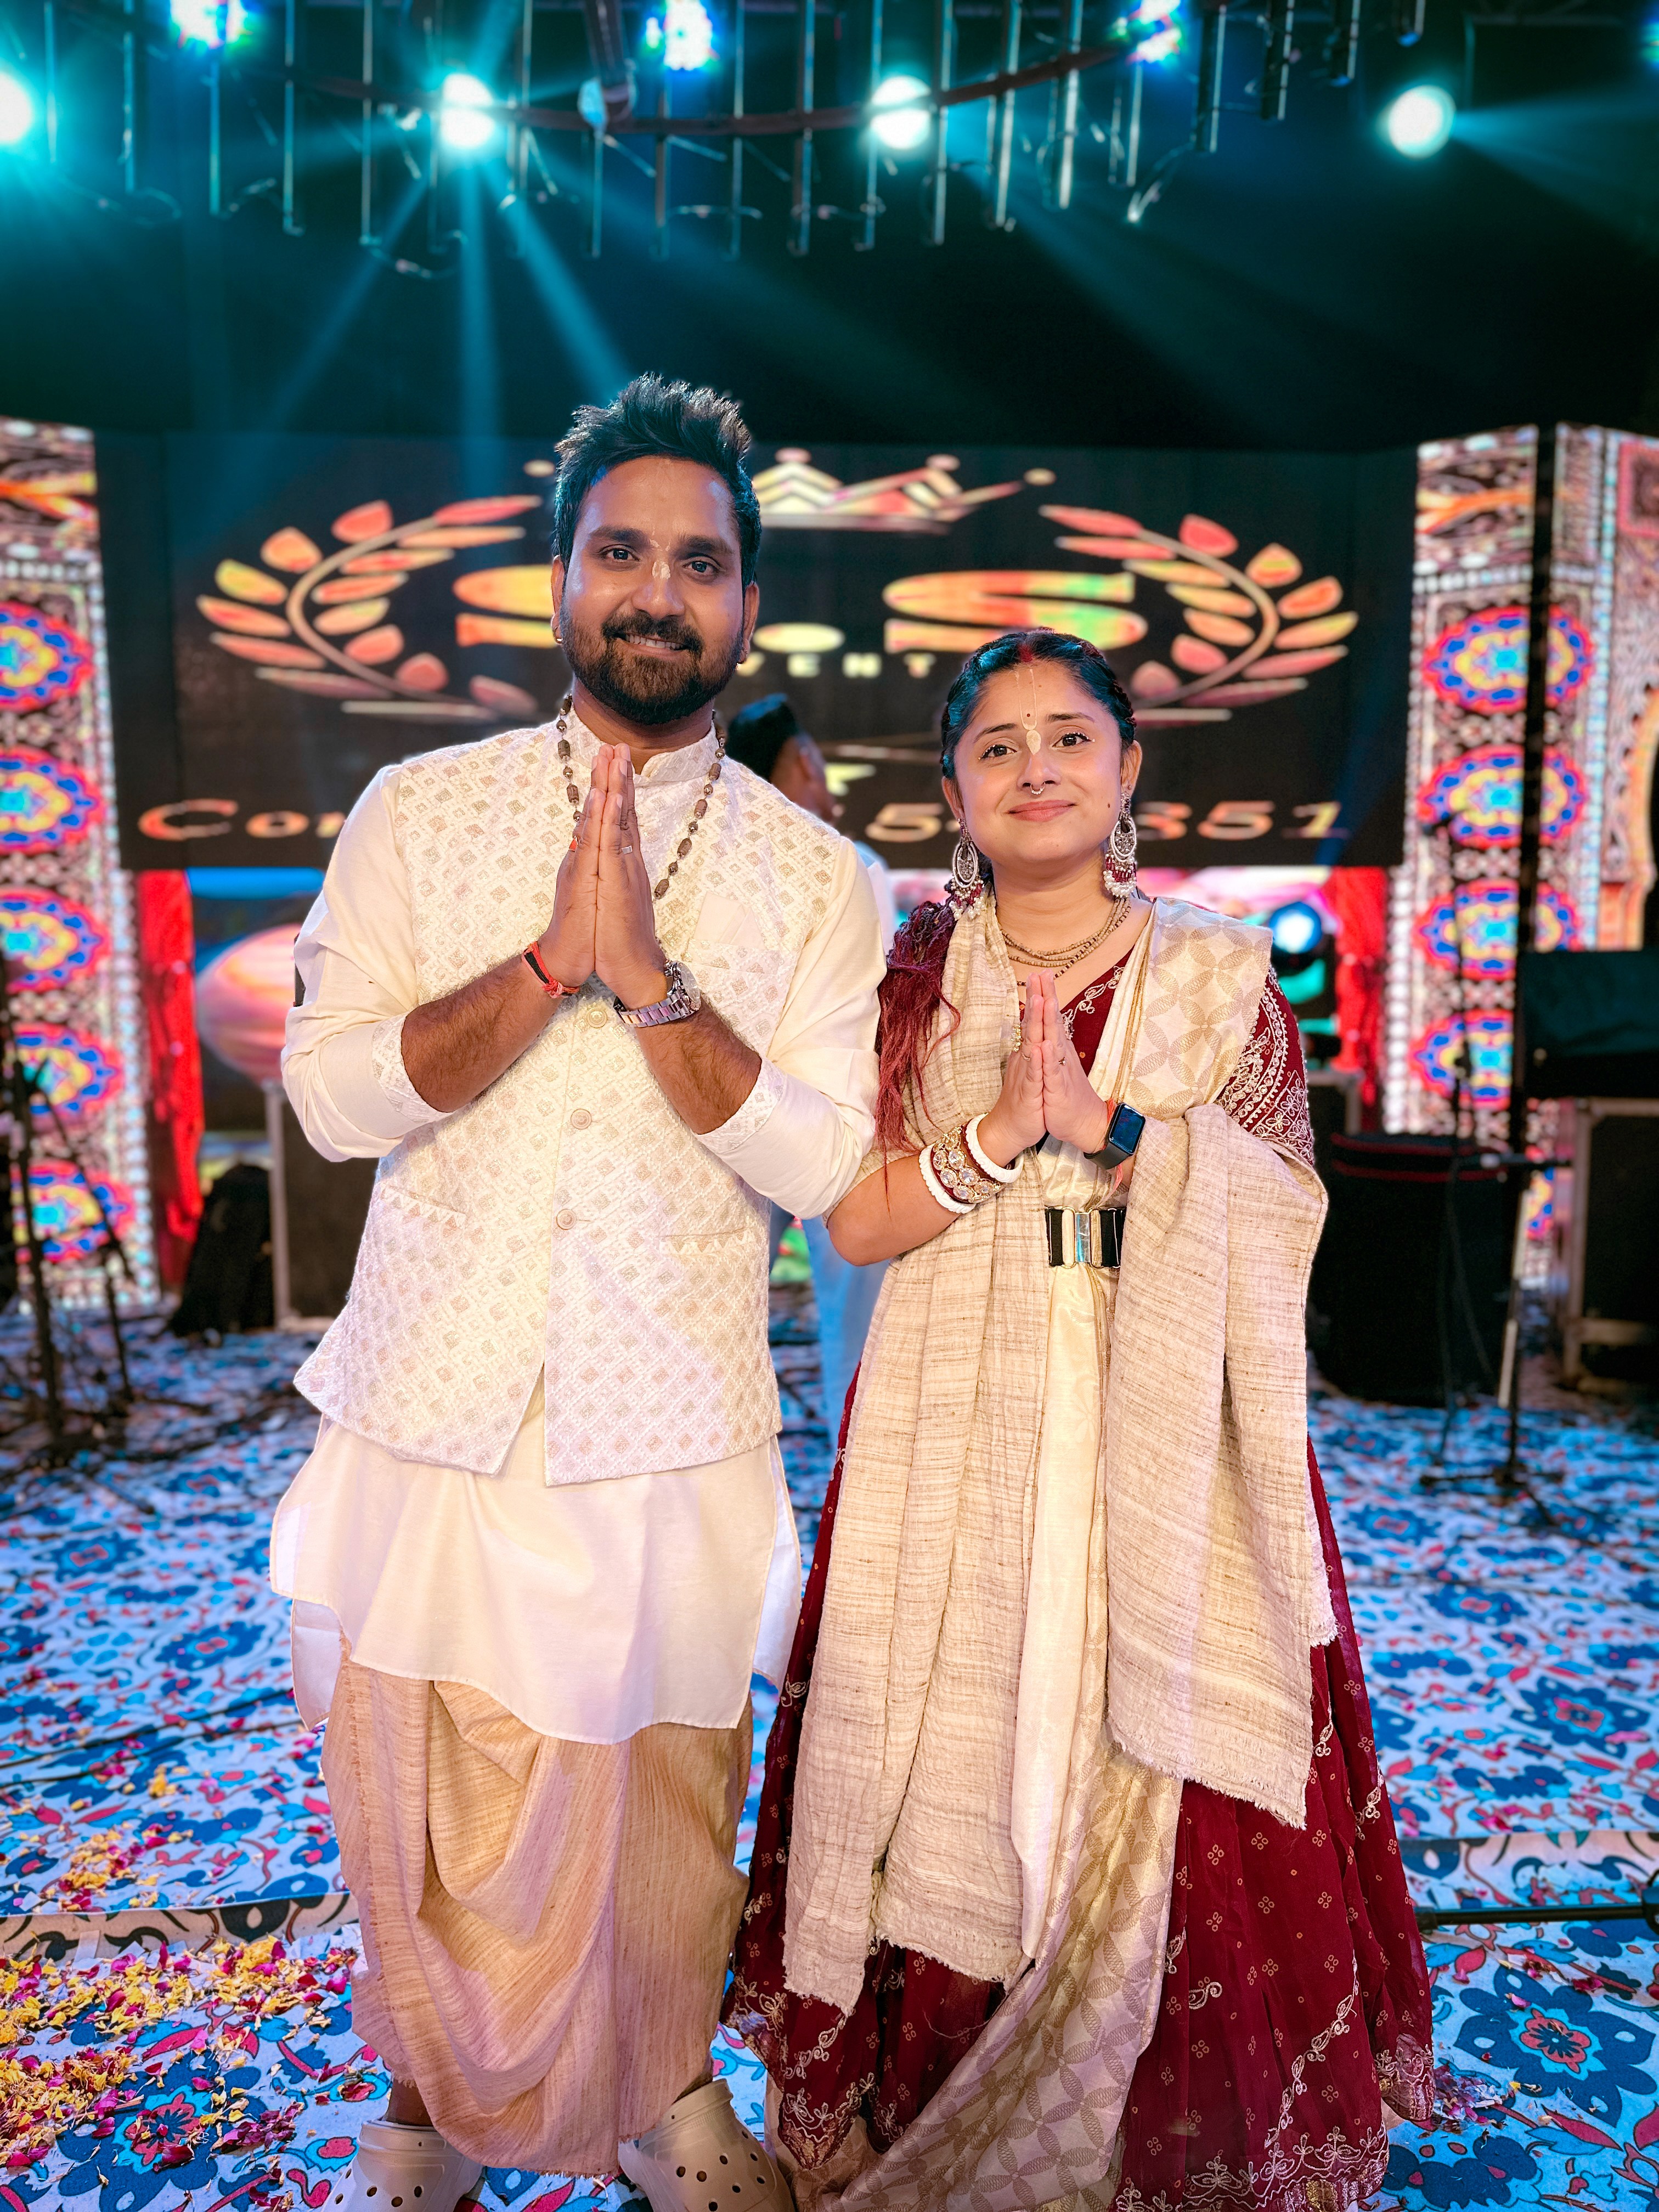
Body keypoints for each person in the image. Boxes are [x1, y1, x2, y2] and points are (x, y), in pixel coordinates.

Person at [270, 375, 884, 2212]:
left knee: (668, 1784)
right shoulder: (416, 811)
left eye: (698, 562)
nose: (656, 590)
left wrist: (660, 989)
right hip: (430, 1393)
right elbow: (332, 1091)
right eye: (618, 550)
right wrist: (552, 962)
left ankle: (667, 2084)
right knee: (419, 1781)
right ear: (558, 580)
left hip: (664, 1415)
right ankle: (425, 2095)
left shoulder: (817, 881)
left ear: (744, 609)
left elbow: (819, 1166)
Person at [725, 628, 1434, 2212]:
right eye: (995, 745)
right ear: (956, 791)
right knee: (953, 1729)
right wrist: (995, 1134)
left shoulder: (1211, 971)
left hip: (1164, 1406)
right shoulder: (918, 973)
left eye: (1068, 736)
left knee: (1149, 1734)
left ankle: (1136, 2126)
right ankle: (939, 2089)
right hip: (954, 1410)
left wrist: (1114, 1130)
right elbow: (856, 1224)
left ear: (1126, 771)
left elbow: (1287, 1205)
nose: (1033, 765)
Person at [727, 691, 896, 1432]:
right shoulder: (852, 865)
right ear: (798, 763)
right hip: (839, 1109)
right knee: (858, 1315)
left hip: (731, 1101)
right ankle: (853, 1474)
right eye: (819, 765)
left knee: (718, 1306)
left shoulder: (717, 865)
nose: (825, 785)